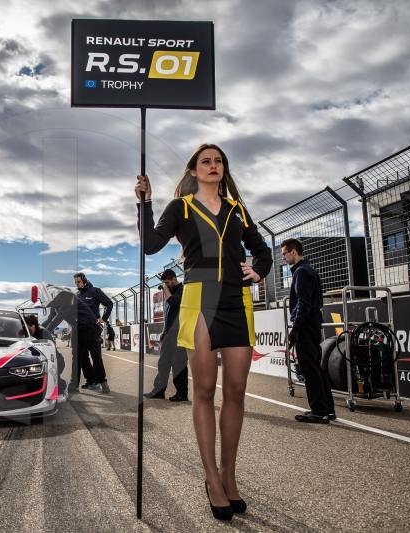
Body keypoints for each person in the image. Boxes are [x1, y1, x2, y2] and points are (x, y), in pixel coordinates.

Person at [136, 143, 272, 520]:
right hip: (199, 299)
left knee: (236, 392)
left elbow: (263, 251)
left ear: (224, 169)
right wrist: (143, 203)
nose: (213, 166)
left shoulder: (237, 210)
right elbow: (149, 245)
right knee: (204, 390)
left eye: (219, 161)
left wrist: (259, 269)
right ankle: (211, 477)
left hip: (236, 301)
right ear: (194, 170)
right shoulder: (180, 207)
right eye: (205, 161)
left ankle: (229, 475)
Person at [281, 238, 335, 423]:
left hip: (305, 325)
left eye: (284, 254)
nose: (283, 258)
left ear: (293, 252)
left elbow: (303, 303)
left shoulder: (302, 272)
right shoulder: (309, 270)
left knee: (309, 368)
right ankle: (328, 409)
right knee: (316, 368)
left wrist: (295, 329)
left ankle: (319, 411)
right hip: (312, 323)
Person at [144, 268, 189, 402]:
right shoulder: (169, 293)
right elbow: (168, 316)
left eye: (168, 282)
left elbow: (174, 302)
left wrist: (165, 289)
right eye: (165, 283)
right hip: (169, 334)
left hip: (179, 334)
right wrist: (164, 332)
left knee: (178, 365)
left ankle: (182, 394)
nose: (166, 285)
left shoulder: (183, 290)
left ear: (174, 279)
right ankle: (158, 391)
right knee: (163, 364)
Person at [73, 273, 112, 392]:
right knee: (82, 357)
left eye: (78, 282)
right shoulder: (77, 295)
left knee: (96, 357)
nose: (77, 284)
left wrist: (104, 319)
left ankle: (103, 382)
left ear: (84, 280)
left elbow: (109, 303)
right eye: (75, 283)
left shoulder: (95, 291)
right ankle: (91, 380)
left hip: (93, 330)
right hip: (80, 330)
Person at [24, 314, 66, 390]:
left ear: (33, 326)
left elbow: (51, 352)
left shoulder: (43, 334)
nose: (27, 331)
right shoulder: (28, 335)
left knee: (51, 385)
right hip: (44, 362)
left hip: (56, 362)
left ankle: (61, 384)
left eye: (28, 328)